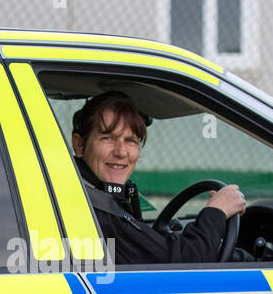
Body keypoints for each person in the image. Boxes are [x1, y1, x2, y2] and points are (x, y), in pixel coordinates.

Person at [71, 91, 245, 265]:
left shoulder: (81, 191)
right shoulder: (97, 208)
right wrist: (217, 211)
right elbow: (187, 265)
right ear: (79, 144)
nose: (121, 152)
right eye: (108, 138)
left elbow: (144, 248)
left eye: (130, 140)